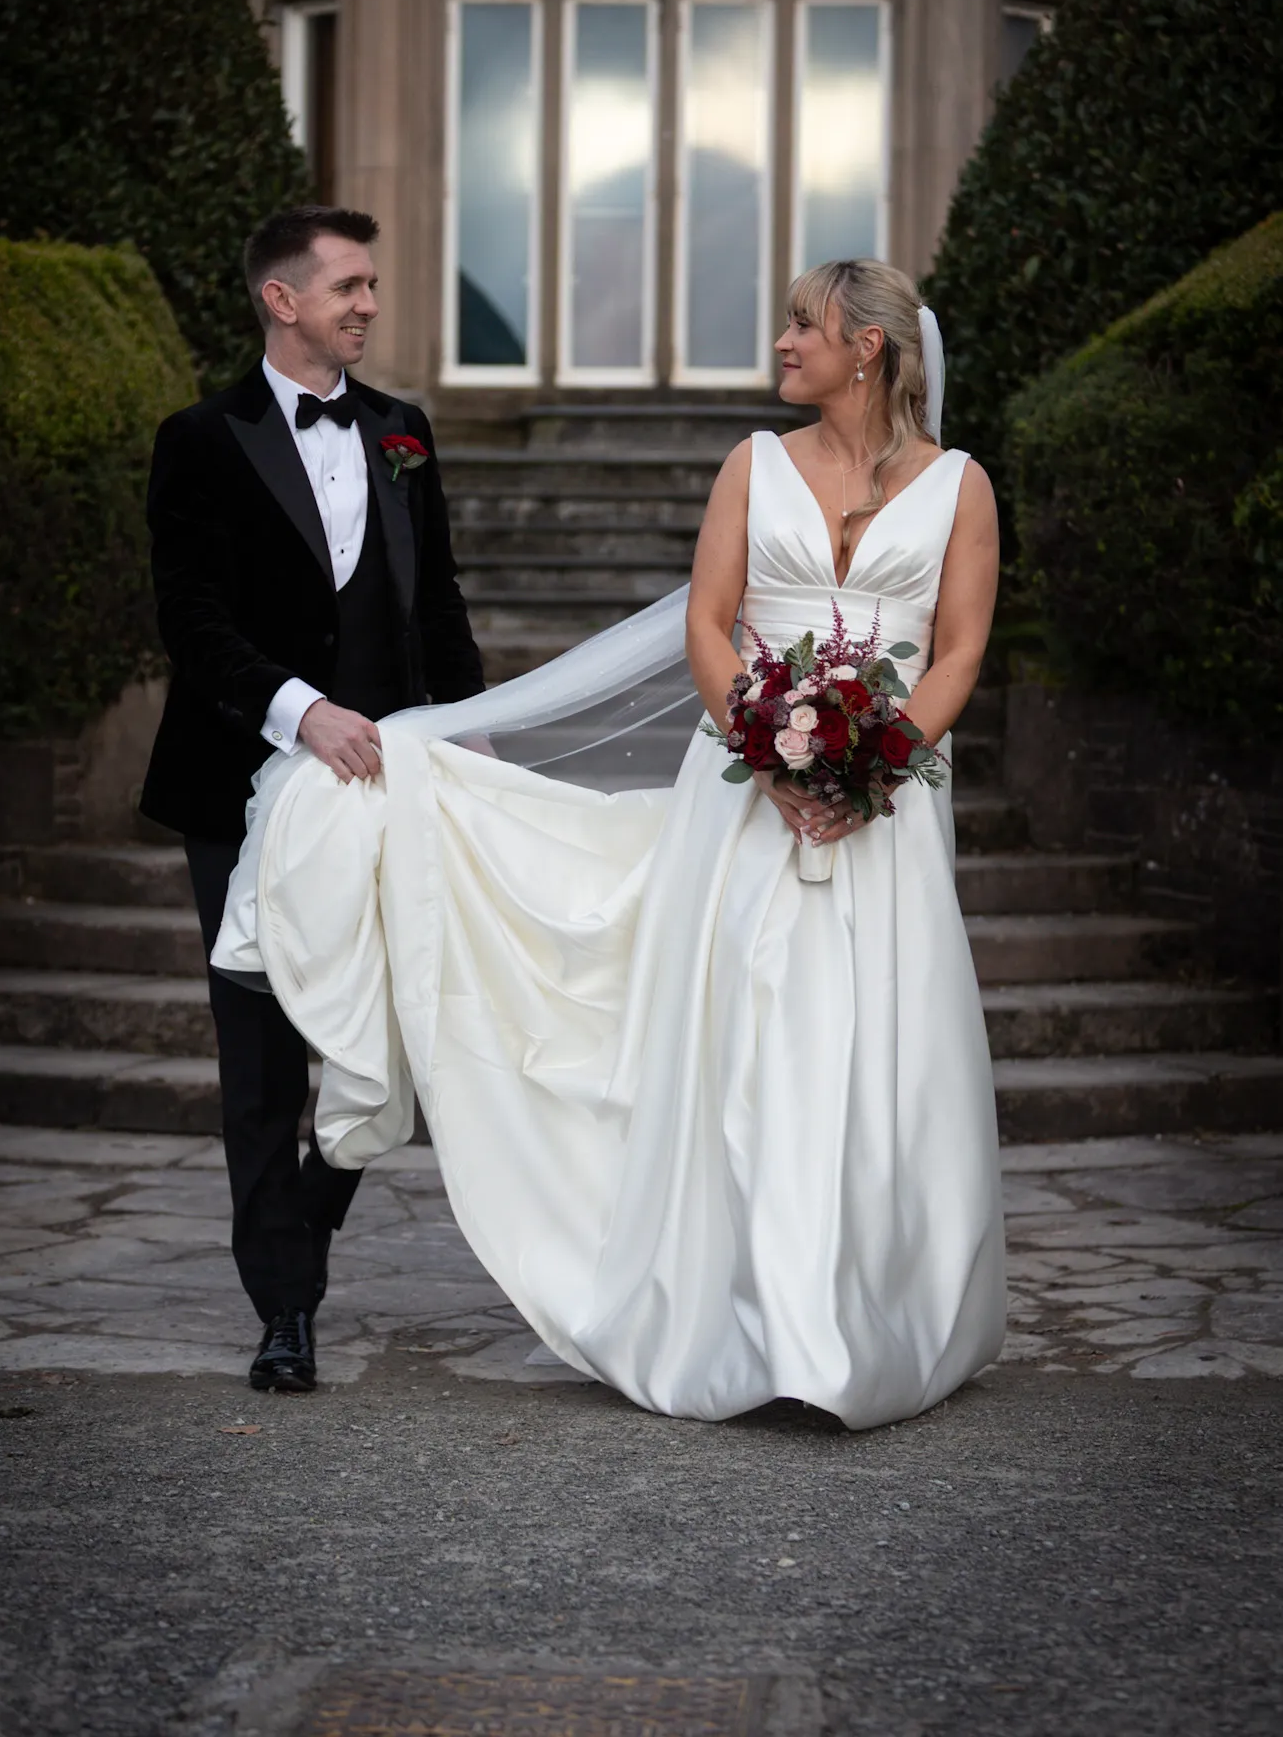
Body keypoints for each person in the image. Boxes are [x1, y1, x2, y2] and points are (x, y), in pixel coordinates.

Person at [213, 259, 1007, 1427]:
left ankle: (869, 1311)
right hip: (745, 795)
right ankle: (756, 1312)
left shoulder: (961, 487)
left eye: (805, 325)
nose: (784, 342)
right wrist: (776, 754)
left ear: (871, 348)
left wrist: (871, 765)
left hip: (888, 808)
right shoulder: (752, 464)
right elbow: (707, 616)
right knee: (750, 1040)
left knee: (875, 1043)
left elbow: (956, 651)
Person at [139, 204, 484, 1393]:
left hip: (390, 785)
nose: (370, 304)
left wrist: (466, 739)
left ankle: (306, 1217)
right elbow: (191, 617)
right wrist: (300, 709)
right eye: (349, 285)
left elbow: (436, 604)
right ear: (282, 300)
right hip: (240, 784)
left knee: (389, 1033)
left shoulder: (402, 432)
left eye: (373, 284)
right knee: (261, 1056)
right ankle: (285, 1308)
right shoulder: (199, 438)